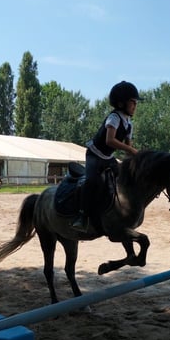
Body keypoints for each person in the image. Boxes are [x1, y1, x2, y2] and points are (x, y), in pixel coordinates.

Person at [71, 81, 141, 231]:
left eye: (136, 103)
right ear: (122, 103)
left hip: (108, 158)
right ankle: (82, 216)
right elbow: (110, 141)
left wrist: (137, 158)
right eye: (133, 102)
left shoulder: (129, 123)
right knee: (91, 181)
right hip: (94, 155)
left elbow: (128, 148)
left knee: (122, 180)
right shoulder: (114, 118)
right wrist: (131, 149)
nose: (135, 105)